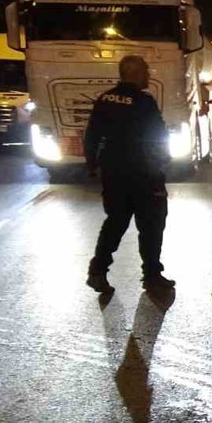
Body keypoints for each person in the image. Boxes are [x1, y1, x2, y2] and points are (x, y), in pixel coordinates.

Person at [84, 55, 174, 295]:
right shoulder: (143, 102)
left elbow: (91, 134)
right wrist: (164, 162)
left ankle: (97, 271)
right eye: (145, 71)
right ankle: (152, 275)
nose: (149, 76)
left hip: (113, 172)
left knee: (115, 222)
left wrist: (92, 165)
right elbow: (159, 135)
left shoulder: (104, 99)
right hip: (144, 174)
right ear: (134, 73)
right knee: (152, 225)